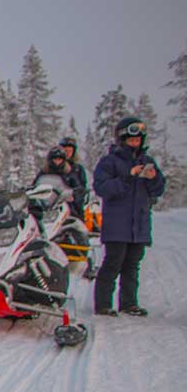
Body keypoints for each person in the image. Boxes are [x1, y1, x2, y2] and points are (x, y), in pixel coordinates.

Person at [92, 116, 165, 316]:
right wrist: (128, 176)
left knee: (132, 265)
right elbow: (102, 187)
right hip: (117, 223)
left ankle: (129, 303)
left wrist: (154, 178)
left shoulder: (147, 161)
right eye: (131, 140)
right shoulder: (110, 162)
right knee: (113, 262)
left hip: (139, 223)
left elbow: (157, 190)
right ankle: (103, 304)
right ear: (122, 139)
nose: (135, 143)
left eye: (138, 140)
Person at [59, 136, 89, 219]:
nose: (67, 153)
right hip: (56, 203)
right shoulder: (54, 167)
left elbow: (82, 187)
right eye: (65, 151)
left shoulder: (78, 169)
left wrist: (76, 195)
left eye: (70, 151)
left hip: (73, 204)